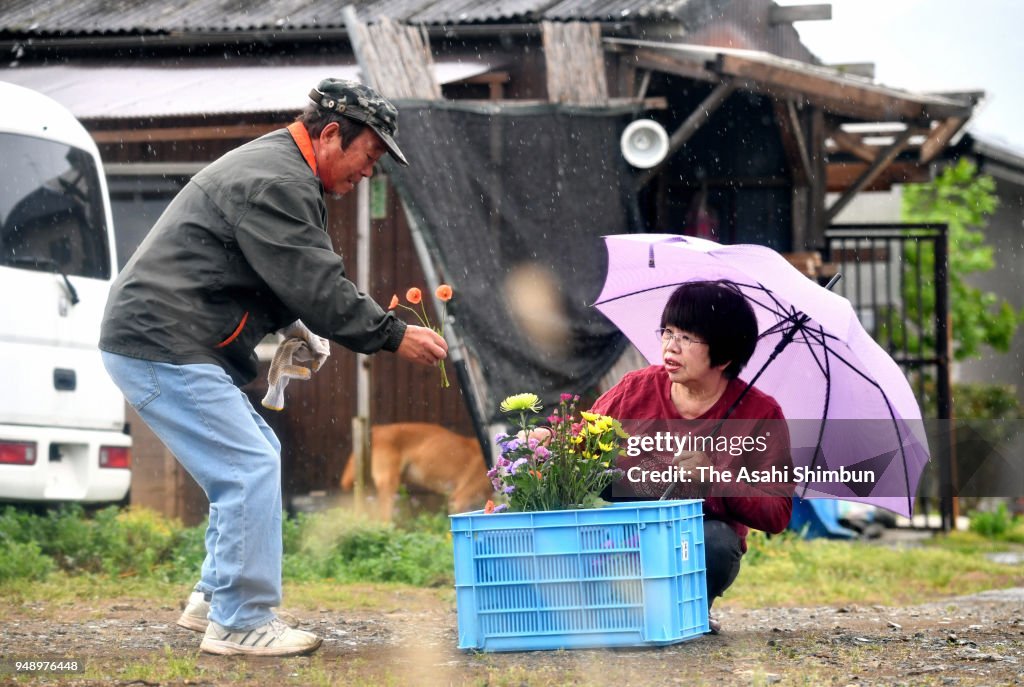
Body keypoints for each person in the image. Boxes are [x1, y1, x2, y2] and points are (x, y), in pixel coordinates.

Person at [99, 78, 447, 657]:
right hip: (161, 341)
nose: (369, 174)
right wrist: (391, 334)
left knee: (250, 454)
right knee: (248, 464)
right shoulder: (278, 180)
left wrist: (293, 325)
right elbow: (313, 280)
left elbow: (272, 271)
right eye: (369, 157)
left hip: (166, 339)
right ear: (333, 134)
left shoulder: (280, 168)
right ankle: (239, 622)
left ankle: (215, 596)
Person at [589, 280, 793, 633]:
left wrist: (714, 479)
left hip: (693, 540)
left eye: (687, 338)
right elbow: (581, 444)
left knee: (716, 543)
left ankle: (687, 604)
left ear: (725, 355)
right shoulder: (637, 388)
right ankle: (605, 599)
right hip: (625, 530)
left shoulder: (760, 414)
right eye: (668, 332)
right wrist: (550, 441)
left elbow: (776, 512)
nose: (671, 346)